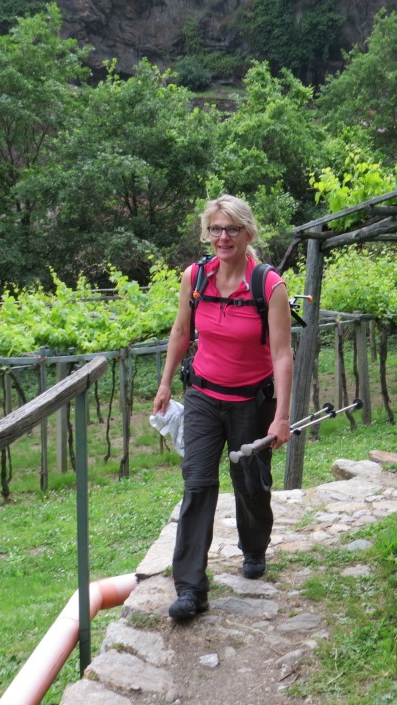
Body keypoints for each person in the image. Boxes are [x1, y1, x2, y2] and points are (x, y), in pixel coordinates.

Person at [153, 195, 294, 620]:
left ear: (248, 233)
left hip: (251, 401)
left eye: (232, 229)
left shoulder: (269, 285)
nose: (223, 237)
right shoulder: (195, 277)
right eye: (215, 229)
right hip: (202, 397)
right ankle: (190, 589)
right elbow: (181, 331)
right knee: (197, 484)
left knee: (250, 485)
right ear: (207, 233)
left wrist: (281, 416)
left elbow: (282, 354)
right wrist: (165, 383)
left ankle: (254, 547)